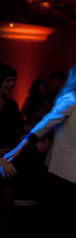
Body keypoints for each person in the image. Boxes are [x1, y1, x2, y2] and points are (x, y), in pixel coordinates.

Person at [4, 63, 76, 238]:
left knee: (75, 218)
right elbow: (47, 122)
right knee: (61, 219)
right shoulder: (71, 98)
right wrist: (23, 144)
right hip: (64, 170)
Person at [0, 64, 22, 235]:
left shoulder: (12, 105)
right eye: (8, 80)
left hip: (8, 159)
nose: (12, 84)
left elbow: (17, 131)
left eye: (13, 81)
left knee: (7, 202)